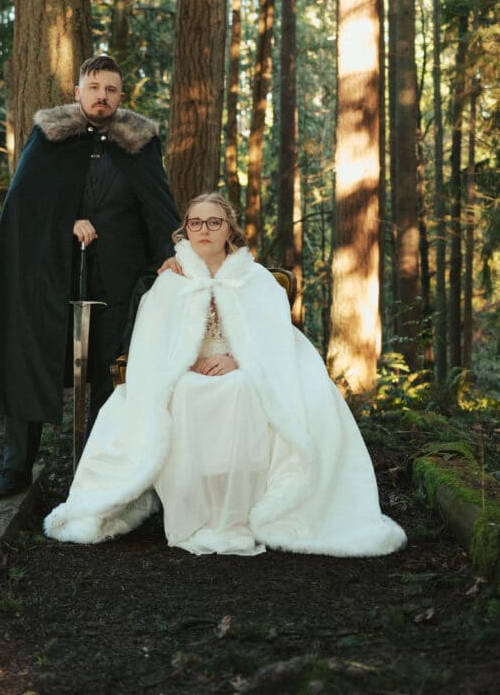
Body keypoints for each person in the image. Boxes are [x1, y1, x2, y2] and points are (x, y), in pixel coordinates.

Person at [44, 193, 407, 557]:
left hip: (243, 367)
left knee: (242, 389)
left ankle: (241, 511)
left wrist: (239, 360)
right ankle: (196, 511)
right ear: (185, 229)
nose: (204, 230)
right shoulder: (171, 279)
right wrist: (182, 364)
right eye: (195, 223)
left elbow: (274, 336)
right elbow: (151, 341)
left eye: (214, 222)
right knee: (184, 392)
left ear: (229, 228)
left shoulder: (255, 278)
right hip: (185, 372)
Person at [0, 55, 180, 498]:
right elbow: (24, 204)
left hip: (117, 277)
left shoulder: (139, 142)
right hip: (50, 273)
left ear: (121, 97)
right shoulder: (50, 135)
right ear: (78, 91)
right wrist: (68, 220)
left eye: (111, 89)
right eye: (94, 87)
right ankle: (16, 467)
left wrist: (168, 256)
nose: (102, 95)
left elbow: (158, 206)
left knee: (109, 372)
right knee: (29, 360)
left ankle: (96, 469)